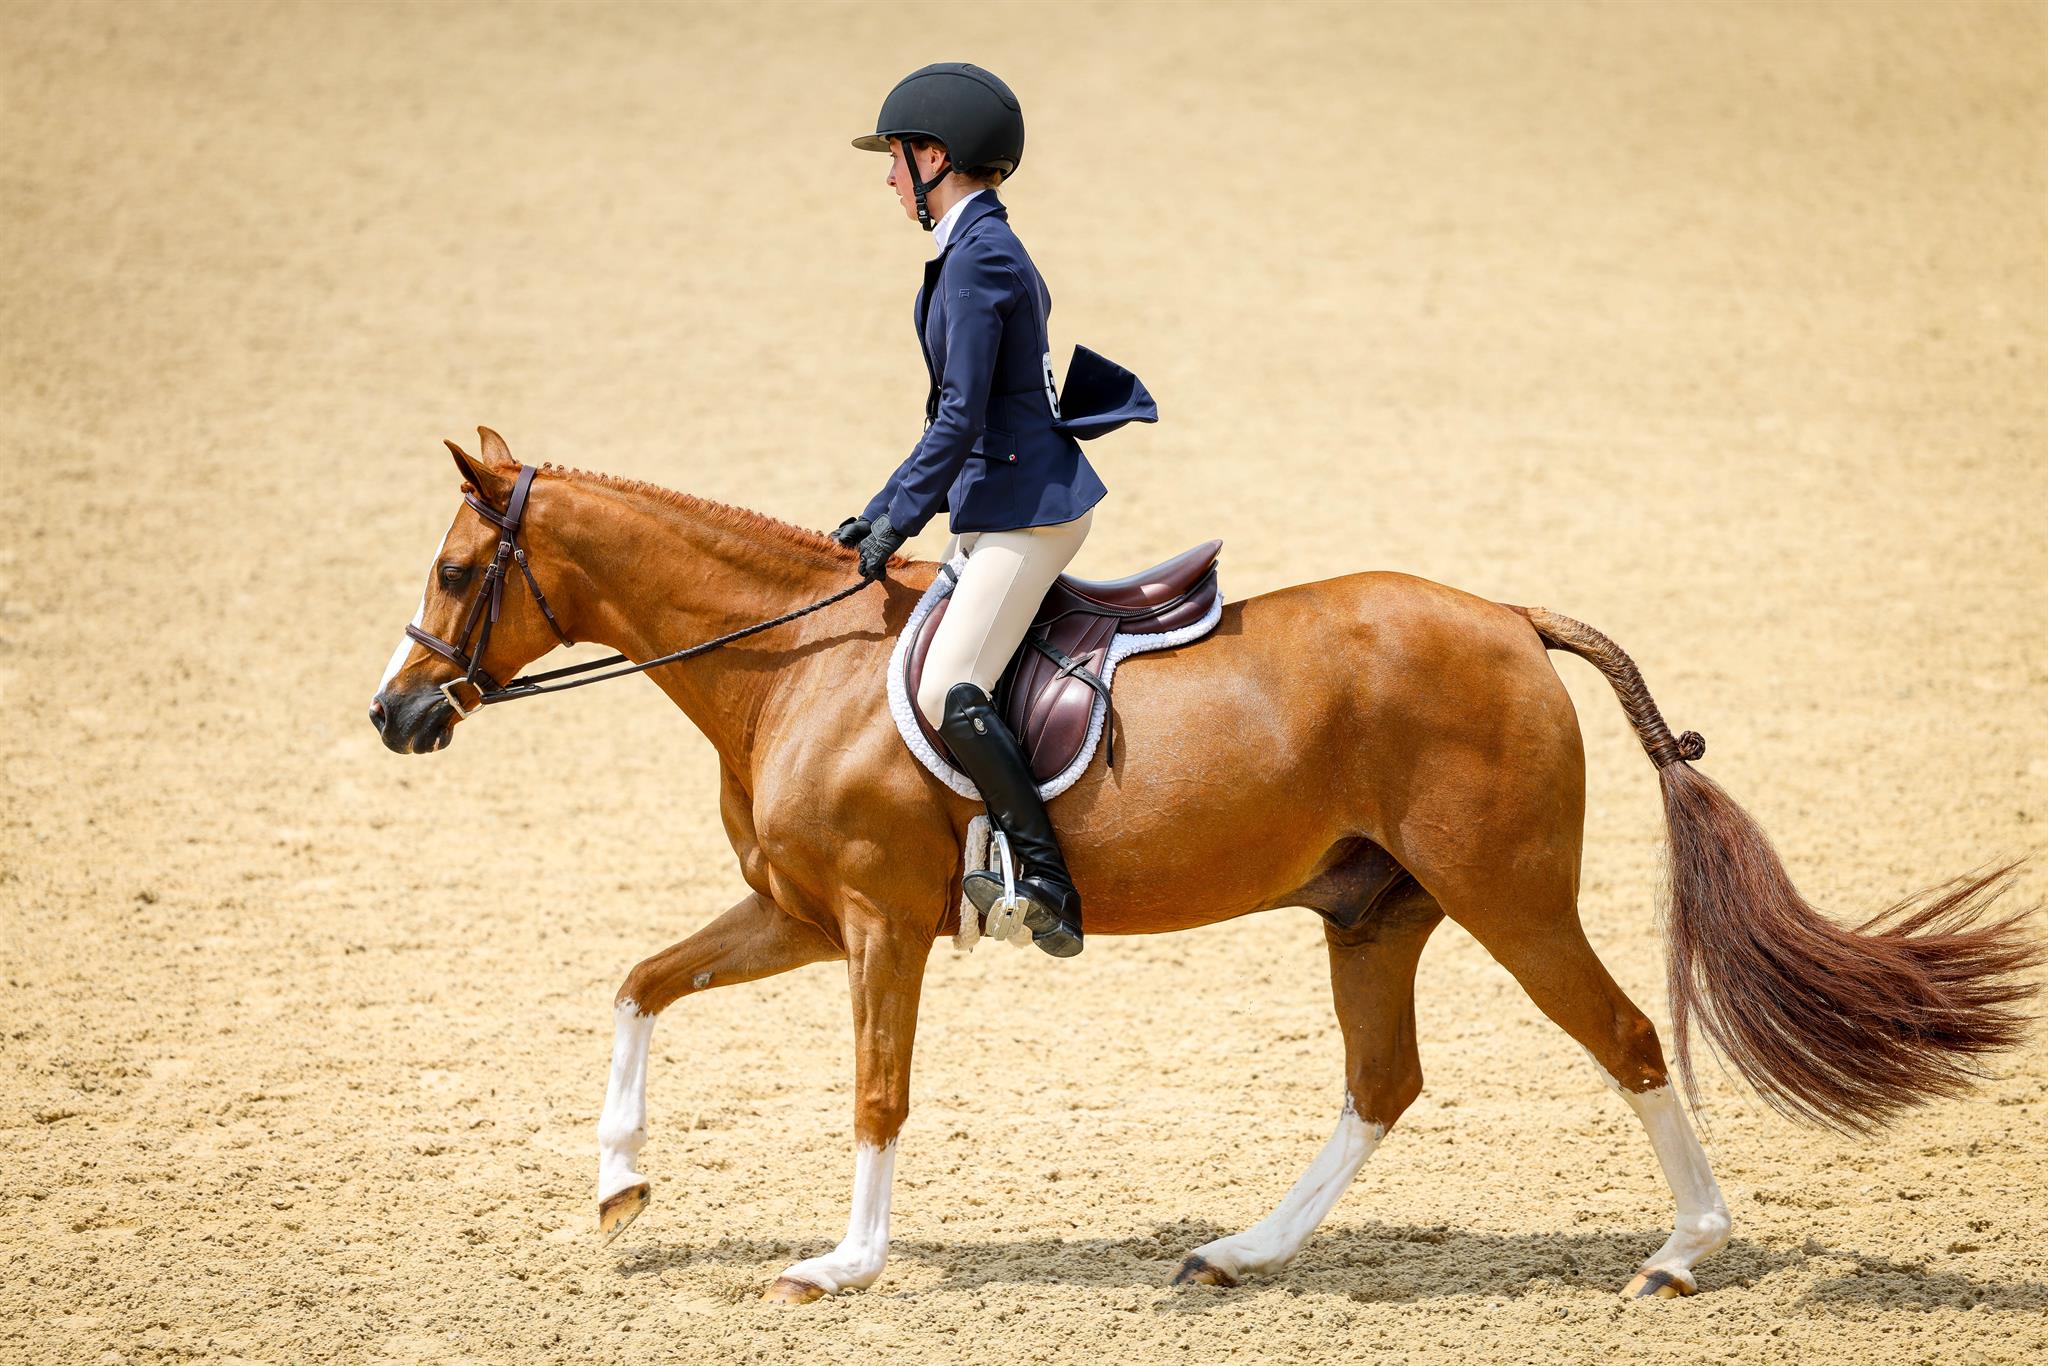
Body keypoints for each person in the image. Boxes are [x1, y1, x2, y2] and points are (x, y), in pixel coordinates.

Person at [830, 62, 1152, 959]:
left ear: (935, 156)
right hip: (996, 495)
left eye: (896, 159)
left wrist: (900, 521)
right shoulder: (972, 251)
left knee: (946, 687)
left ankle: (1045, 878)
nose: (889, 177)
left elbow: (961, 416)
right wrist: (880, 510)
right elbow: (950, 418)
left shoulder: (980, 261)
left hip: (1027, 510)